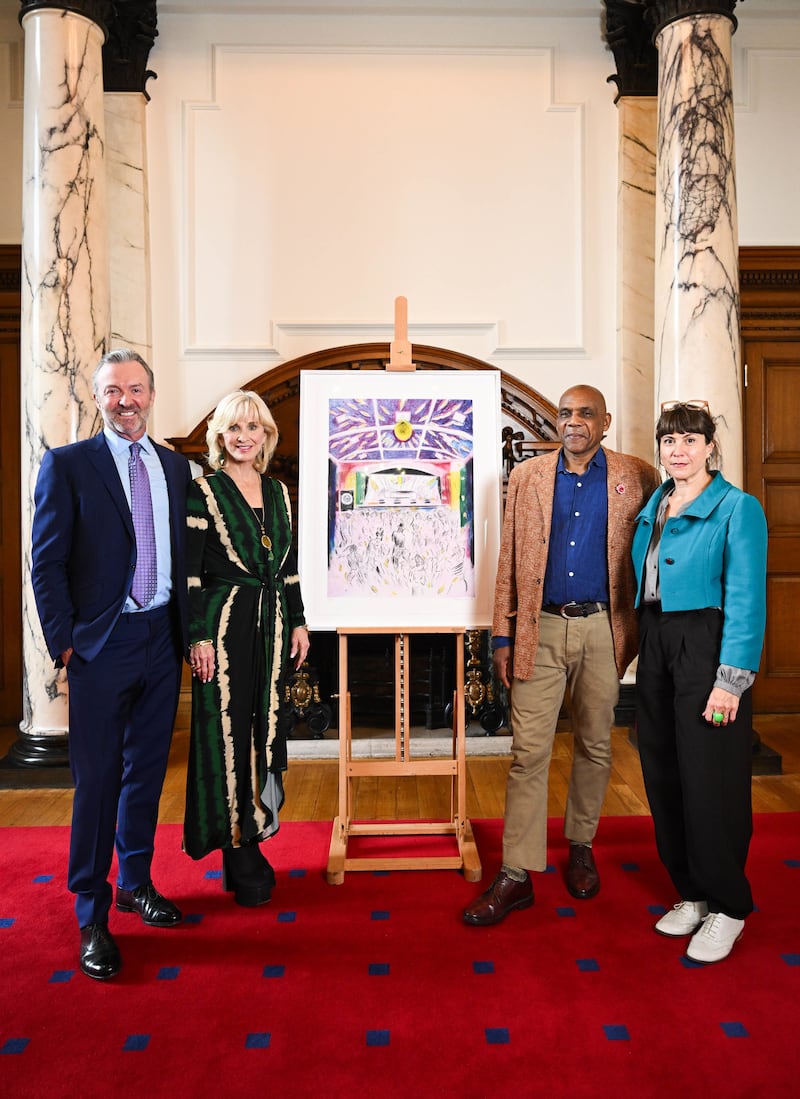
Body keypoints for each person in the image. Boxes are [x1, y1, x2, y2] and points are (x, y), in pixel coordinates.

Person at [463, 385, 661, 926]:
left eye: (585, 413)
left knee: (597, 745)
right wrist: (502, 638)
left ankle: (581, 845)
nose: (574, 421)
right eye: (566, 413)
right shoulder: (527, 477)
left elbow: (655, 553)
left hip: (603, 627)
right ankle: (517, 874)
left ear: (605, 421)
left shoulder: (637, 476)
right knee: (529, 753)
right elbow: (506, 560)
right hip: (540, 628)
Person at [31, 349, 192, 981]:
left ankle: (135, 883)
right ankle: (91, 915)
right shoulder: (69, 465)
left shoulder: (175, 467)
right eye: (113, 391)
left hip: (160, 638)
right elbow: (46, 562)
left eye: (136, 389)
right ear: (97, 398)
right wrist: (66, 643)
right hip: (101, 644)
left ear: (152, 394)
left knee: (146, 775)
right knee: (97, 781)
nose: (126, 400)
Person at [632, 400, 767, 964]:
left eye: (690, 440)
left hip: (707, 644)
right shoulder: (657, 501)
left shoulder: (739, 508)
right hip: (657, 640)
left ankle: (729, 904)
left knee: (711, 776)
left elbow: (747, 599)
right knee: (663, 768)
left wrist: (729, 682)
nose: (678, 451)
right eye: (669, 441)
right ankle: (692, 891)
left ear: (711, 446)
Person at [183, 390, 309, 906]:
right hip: (225, 624)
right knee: (226, 733)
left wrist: (299, 621)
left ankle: (256, 828)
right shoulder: (204, 491)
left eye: (254, 428)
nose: (244, 436)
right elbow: (190, 574)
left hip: (274, 625)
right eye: (235, 428)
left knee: (265, 724)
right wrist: (197, 636)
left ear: (266, 436)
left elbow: (290, 565)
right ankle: (237, 842)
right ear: (220, 436)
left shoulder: (278, 492)